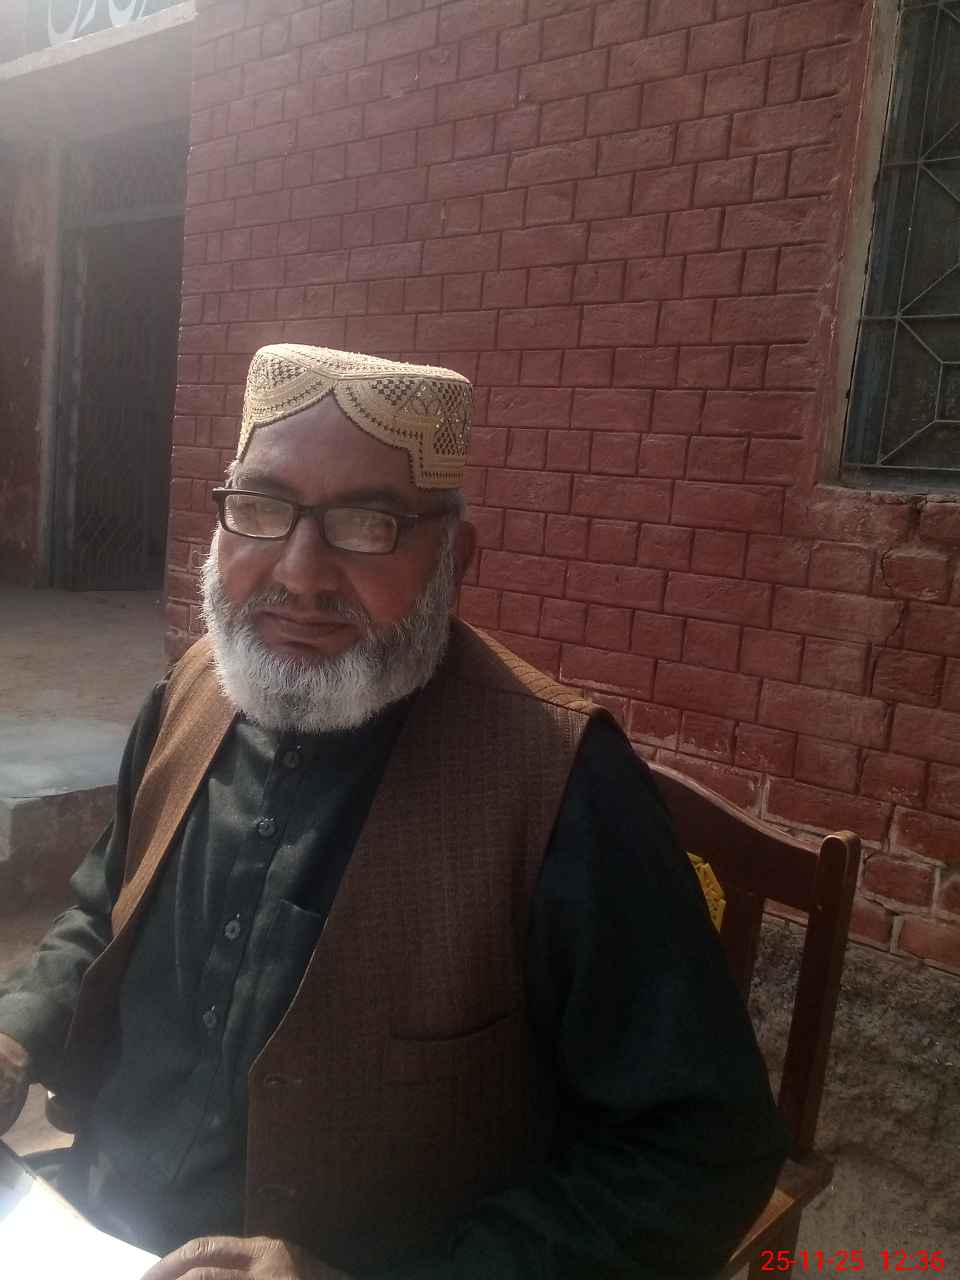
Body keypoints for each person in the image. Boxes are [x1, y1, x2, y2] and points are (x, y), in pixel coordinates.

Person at [0, 345, 787, 1280]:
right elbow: (104, 908)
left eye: (366, 525)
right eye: (261, 508)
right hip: (78, 1224)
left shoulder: (561, 782)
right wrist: (17, 1030)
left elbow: (704, 1149)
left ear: (456, 558)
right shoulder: (193, 692)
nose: (301, 573)